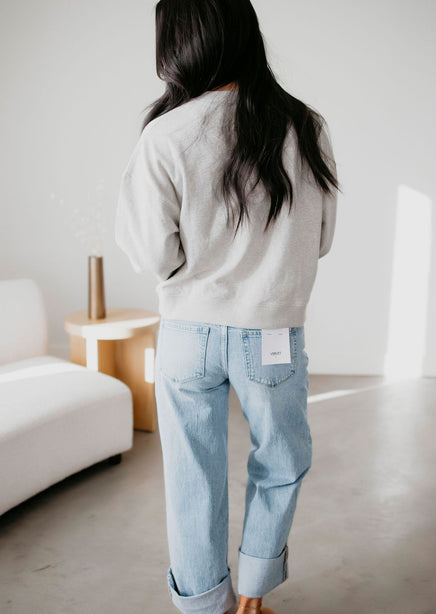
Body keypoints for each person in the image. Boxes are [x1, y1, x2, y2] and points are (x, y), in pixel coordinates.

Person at [115, 1, 341, 612]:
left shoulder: (166, 132)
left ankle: (200, 605)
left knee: (191, 475)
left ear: (181, 44)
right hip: (271, 330)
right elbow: (320, 240)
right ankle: (253, 595)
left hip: (188, 331)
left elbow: (150, 253)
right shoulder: (305, 126)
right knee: (282, 461)